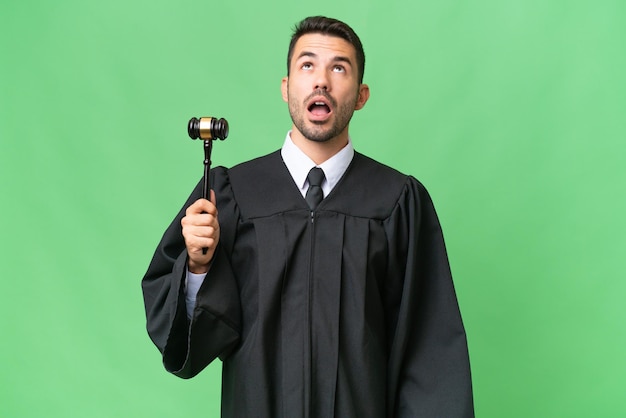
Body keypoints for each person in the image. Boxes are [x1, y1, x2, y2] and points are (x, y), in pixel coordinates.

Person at [142, 16, 474, 417]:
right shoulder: (233, 194)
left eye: (339, 68)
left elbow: (429, 351)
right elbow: (194, 342)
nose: (322, 81)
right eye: (307, 65)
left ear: (362, 94)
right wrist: (196, 268)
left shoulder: (397, 201)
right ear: (286, 88)